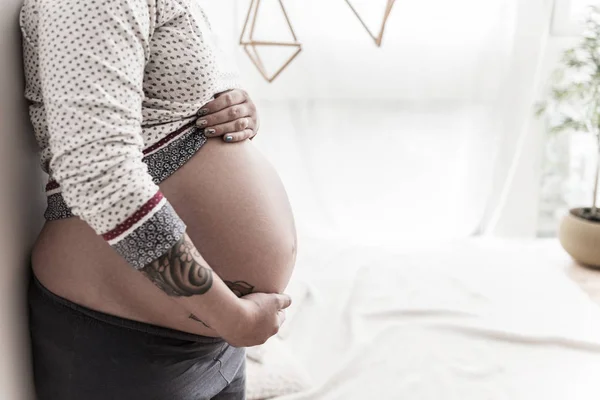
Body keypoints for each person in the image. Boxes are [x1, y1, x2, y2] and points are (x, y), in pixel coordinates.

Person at [20, 0, 298, 399]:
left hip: (213, 334)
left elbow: (168, 106)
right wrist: (231, 316)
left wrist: (236, 107)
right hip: (126, 344)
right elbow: (98, 174)